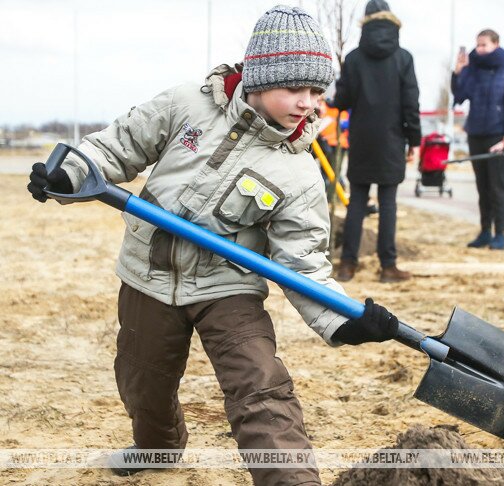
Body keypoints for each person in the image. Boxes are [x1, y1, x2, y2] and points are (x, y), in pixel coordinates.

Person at [27, 6, 400, 485]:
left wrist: (346, 322)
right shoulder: (188, 104)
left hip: (228, 286)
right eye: (295, 88)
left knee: (261, 385)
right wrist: (69, 173)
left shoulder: (300, 170)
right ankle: (157, 451)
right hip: (148, 277)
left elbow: (303, 264)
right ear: (260, 76)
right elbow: (115, 148)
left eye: (316, 91)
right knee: (144, 384)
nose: (307, 103)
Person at [333, 0, 421, 283]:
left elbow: (343, 101)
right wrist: (414, 140)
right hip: (392, 138)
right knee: (388, 203)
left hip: (361, 138)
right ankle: (388, 267)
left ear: (365, 22)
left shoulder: (354, 58)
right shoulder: (404, 58)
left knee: (356, 201)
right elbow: (411, 103)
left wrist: (336, 97)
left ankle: (347, 265)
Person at [451, 29, 504, 250]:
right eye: (477, 45)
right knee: (483, 187)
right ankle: (484, 232)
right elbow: (460, 96)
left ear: (496, 44)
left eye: (484, 45)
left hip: (498, 136)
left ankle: (500, 234)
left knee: (499, 187)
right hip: (476, 134)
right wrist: (458, 73)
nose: (479, 49)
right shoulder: (473, 69)